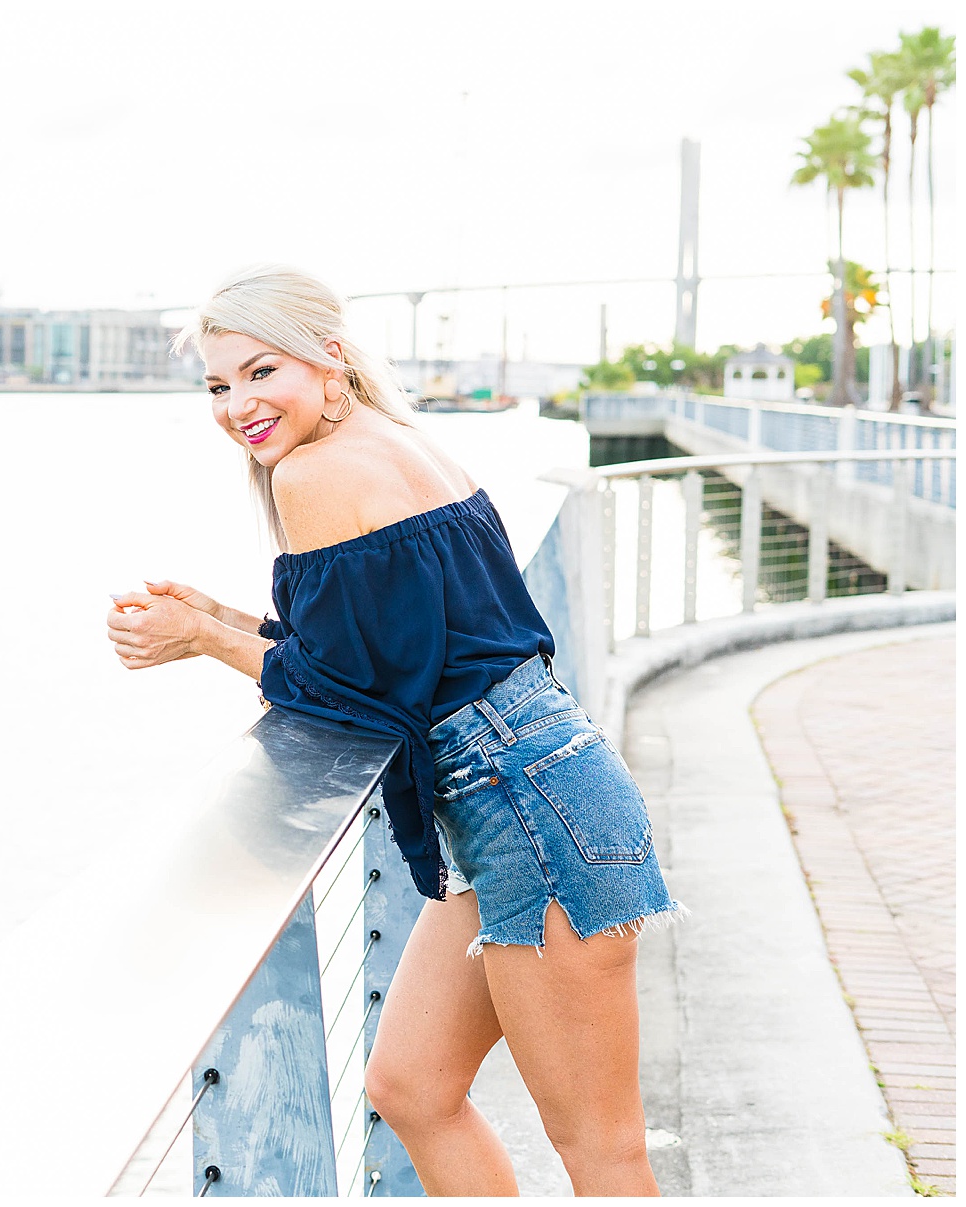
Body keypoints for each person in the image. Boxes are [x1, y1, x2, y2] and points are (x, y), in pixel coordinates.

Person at [104, 265, 683, 1197]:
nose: (237, 405)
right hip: (525, 796)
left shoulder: (313, 472)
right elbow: (384, 657)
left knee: (603, 1151)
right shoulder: (402, 442)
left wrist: (202, 640)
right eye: (218, 385)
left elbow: (348, 698)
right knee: (411, 1086)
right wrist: (217, 615)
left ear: (329, 356)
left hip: (528, 808)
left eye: (261, 372)